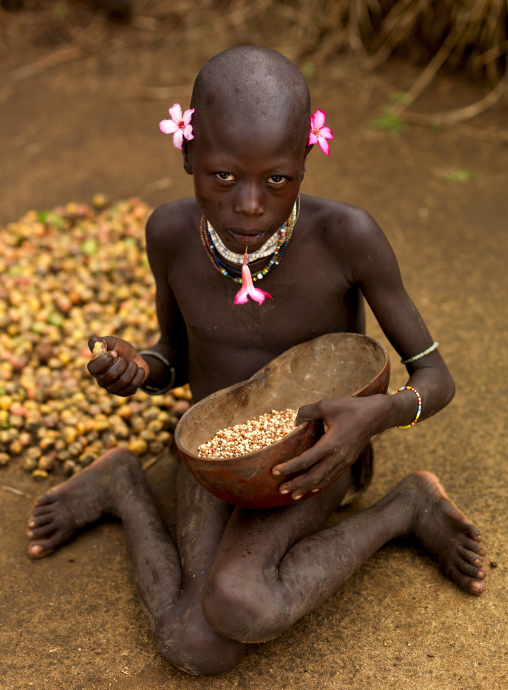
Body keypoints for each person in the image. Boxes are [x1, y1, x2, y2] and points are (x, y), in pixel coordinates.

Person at [26, 46, 486, 676]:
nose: (249, 204)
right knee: (195, 645)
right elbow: (177, 359)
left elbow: (437, 379)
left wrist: (375, 417)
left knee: (242, 603)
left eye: (277, 179)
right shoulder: (169, 234)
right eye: (222, 176)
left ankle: (404, 509)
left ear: (304, 160)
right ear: (187, 153)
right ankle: (124, 486)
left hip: (314, 458)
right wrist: (140, 368)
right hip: (211, 458)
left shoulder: (347, 238)